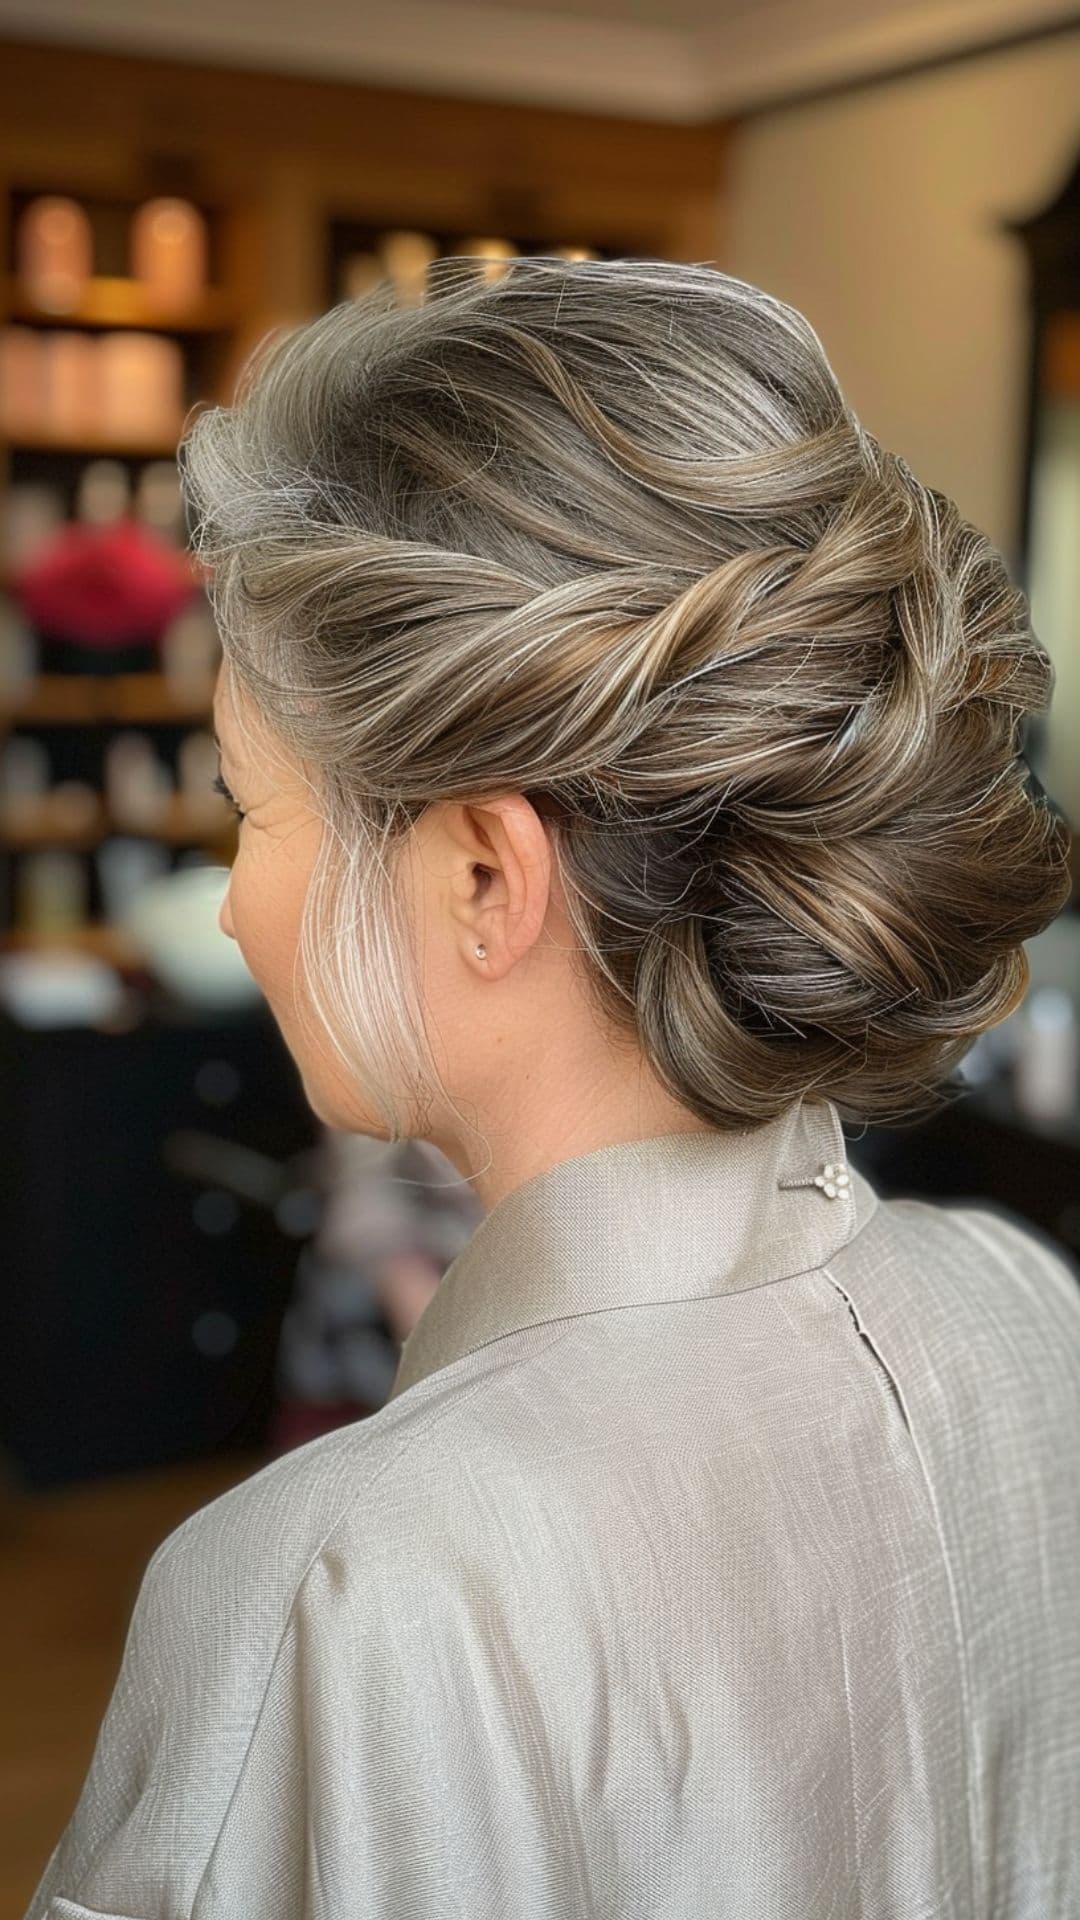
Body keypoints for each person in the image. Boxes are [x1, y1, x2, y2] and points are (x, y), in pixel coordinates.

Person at [26, 256, 1079, 1918]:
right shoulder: (1030, 1310)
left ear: (483, 879)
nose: (234, 902)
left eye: (255, 809)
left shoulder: (344, 1587)